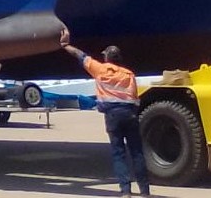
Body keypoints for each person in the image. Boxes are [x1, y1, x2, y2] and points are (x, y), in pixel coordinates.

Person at [61, 29, 150, 197]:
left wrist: (65, 45)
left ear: (107, 58)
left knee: (119, 154)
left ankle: (125, 191)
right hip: (130, 114)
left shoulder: (100, 70)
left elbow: (80, 55)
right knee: (137, 152)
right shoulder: (129, 74)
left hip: (113, 116)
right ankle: (145, 191)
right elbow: (135, 98)